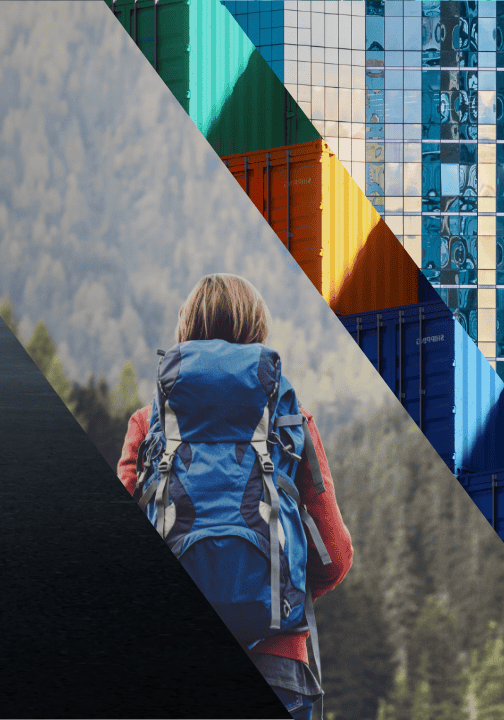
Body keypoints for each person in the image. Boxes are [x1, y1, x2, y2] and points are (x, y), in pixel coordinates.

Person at [115, 273, 352, 720]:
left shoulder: (148, 426)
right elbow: (336, 556)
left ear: (186, 331)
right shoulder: (292, 423)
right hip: (279, 665)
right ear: (256, 332)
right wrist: (276, 592)